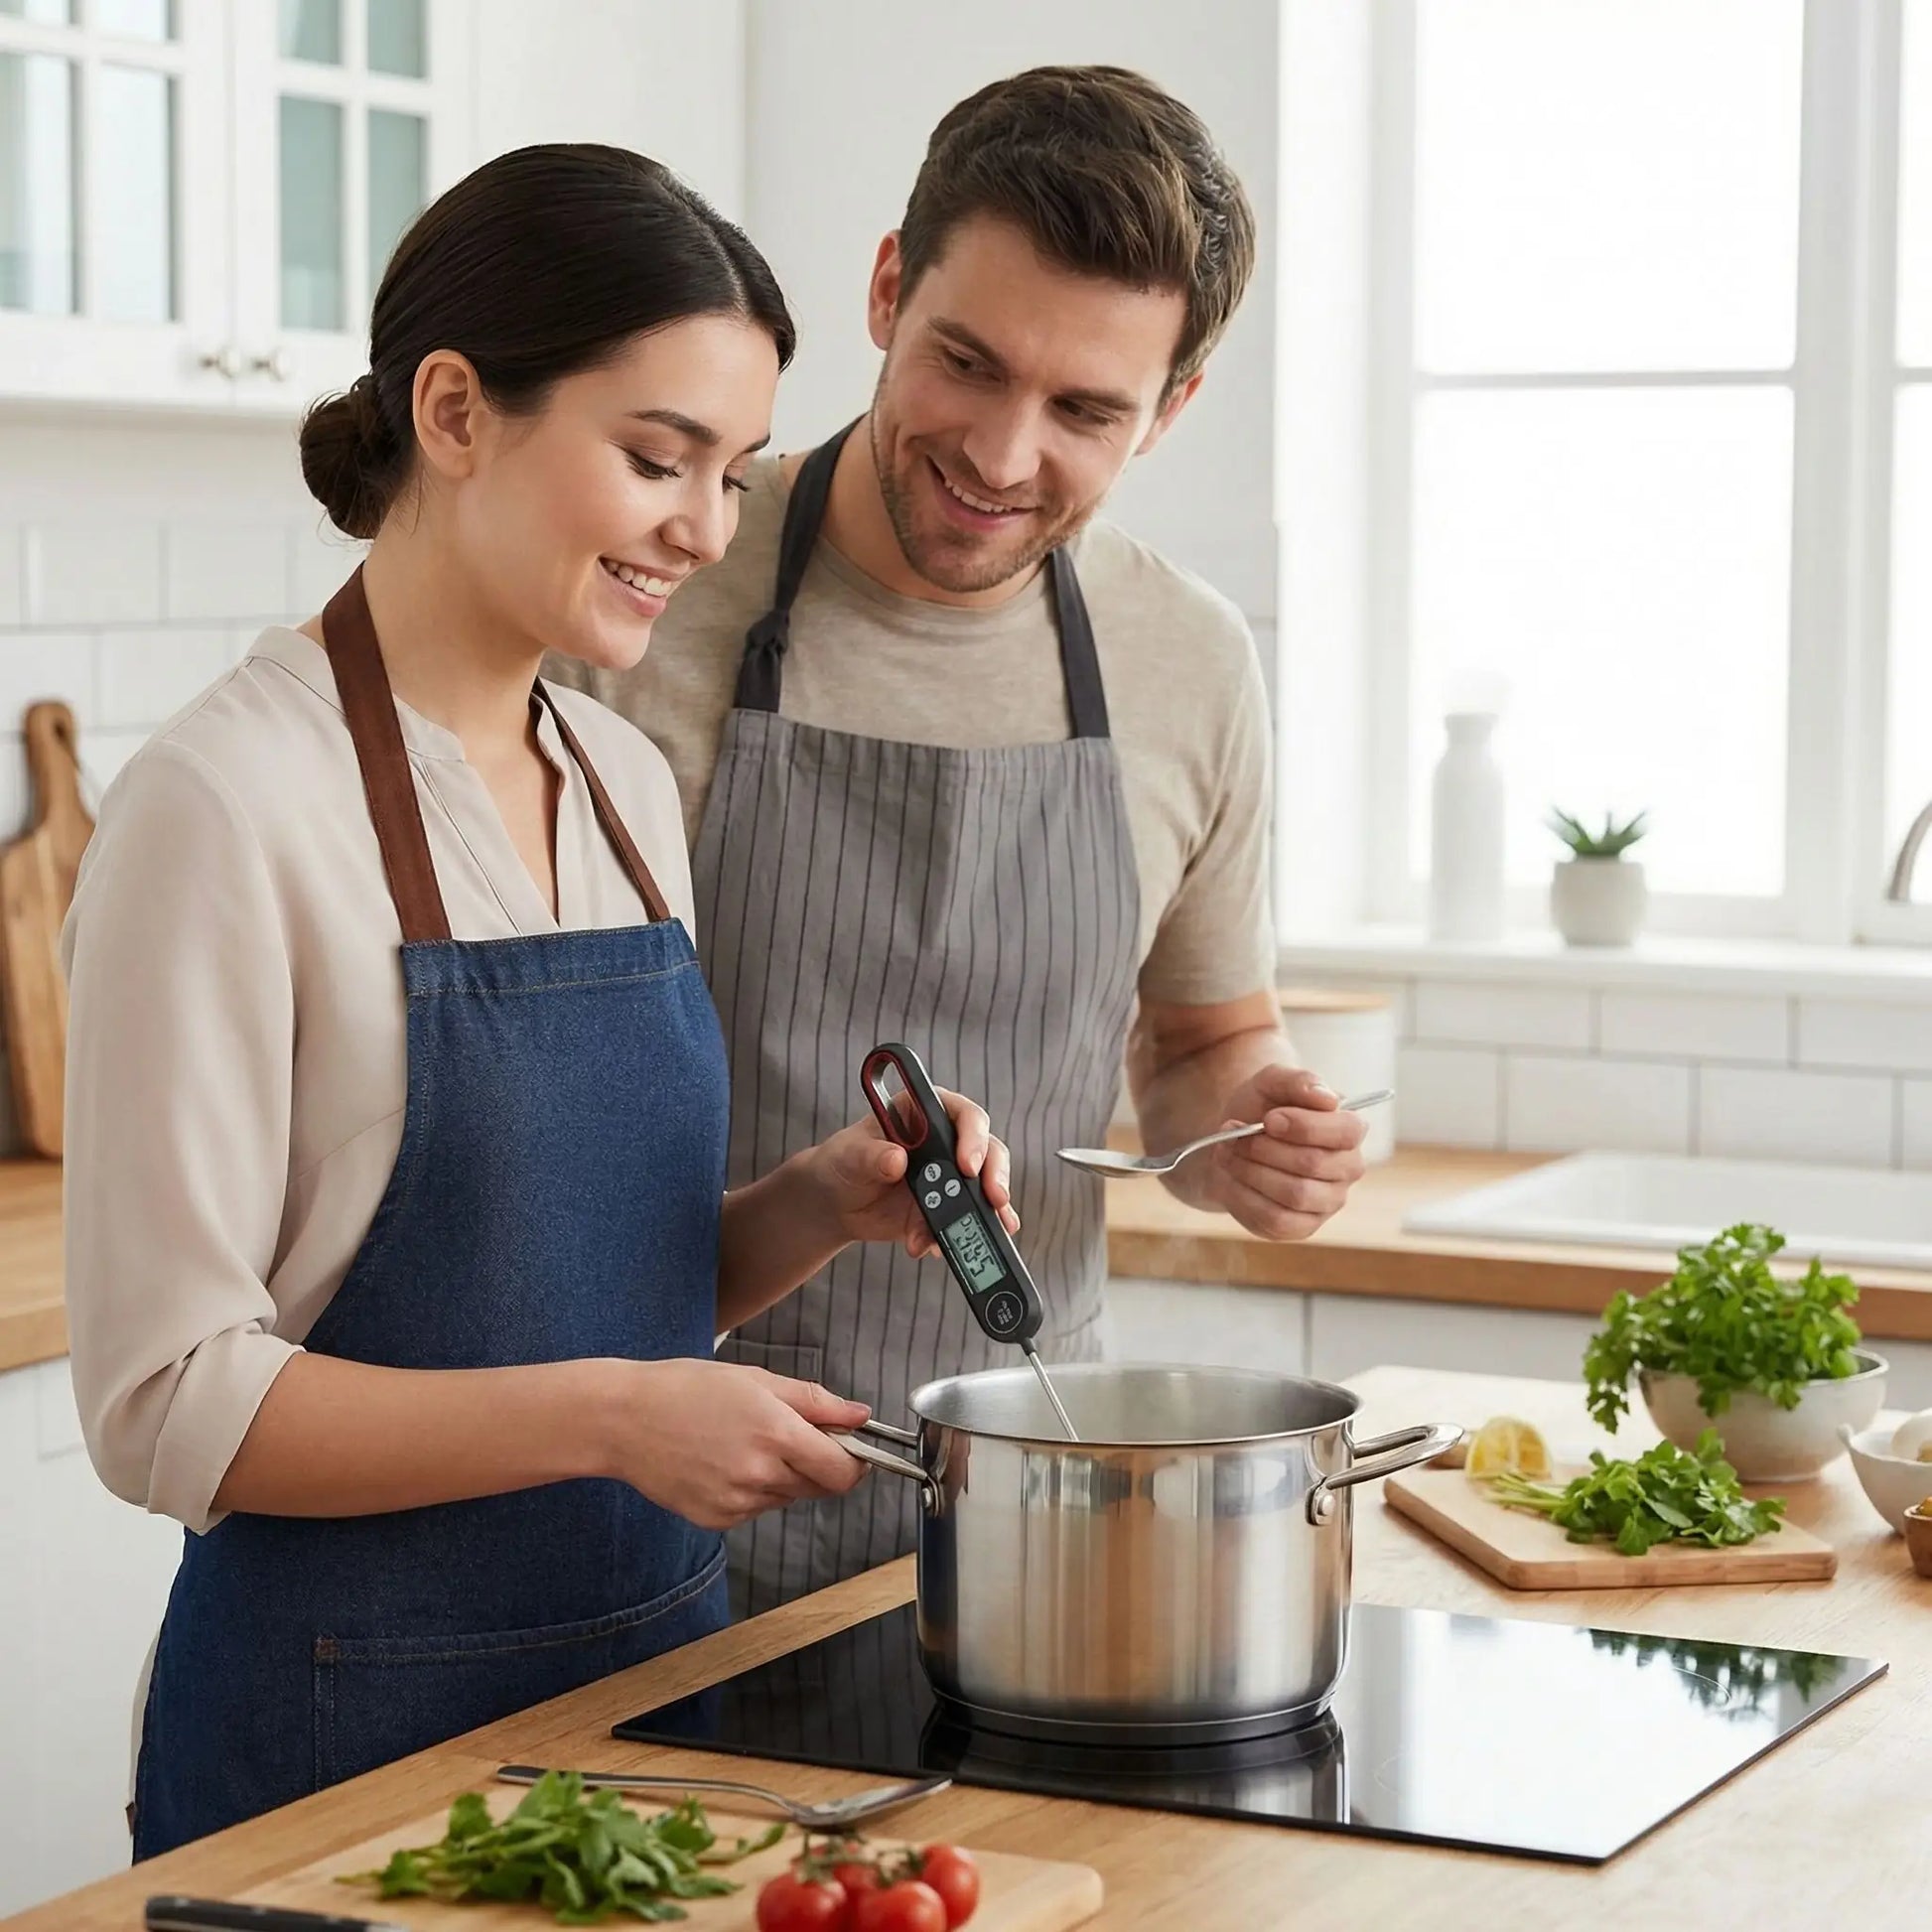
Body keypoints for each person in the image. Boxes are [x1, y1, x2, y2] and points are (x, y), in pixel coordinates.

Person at [60, 144, 1015, 1859]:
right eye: (655, 458)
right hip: (340, 1751)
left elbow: (585, 1287)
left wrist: (805, 1209)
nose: (702, 529)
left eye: (729, 473)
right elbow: (164, 1401)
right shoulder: (223, 803)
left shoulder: (628, 786)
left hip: (650, 1726)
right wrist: (617, 1417)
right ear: (451, 410)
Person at [548, 68, 1369, 1619]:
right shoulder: (649, 597)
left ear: (1172, 406)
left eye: (1083, 410)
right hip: (658, 1490)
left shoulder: (1185, 662)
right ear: (883, 289)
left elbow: (1198, 1041)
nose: (1000, 453)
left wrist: (1243, 1128)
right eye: (966, 363)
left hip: (1025, 1503)